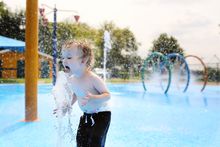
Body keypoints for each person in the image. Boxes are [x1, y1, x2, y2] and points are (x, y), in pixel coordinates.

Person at [54, 39, 111, 147]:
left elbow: (107, 95)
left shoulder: (92, 78)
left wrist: (93, 97)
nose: (64, 61)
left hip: (102, 115)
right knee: (81, 142)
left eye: (69, 57)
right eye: (63, 57)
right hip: (86, 115)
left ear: (83, 60)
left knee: (95, 142)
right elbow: (76, 94)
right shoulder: (72, 79)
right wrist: (67, 106)